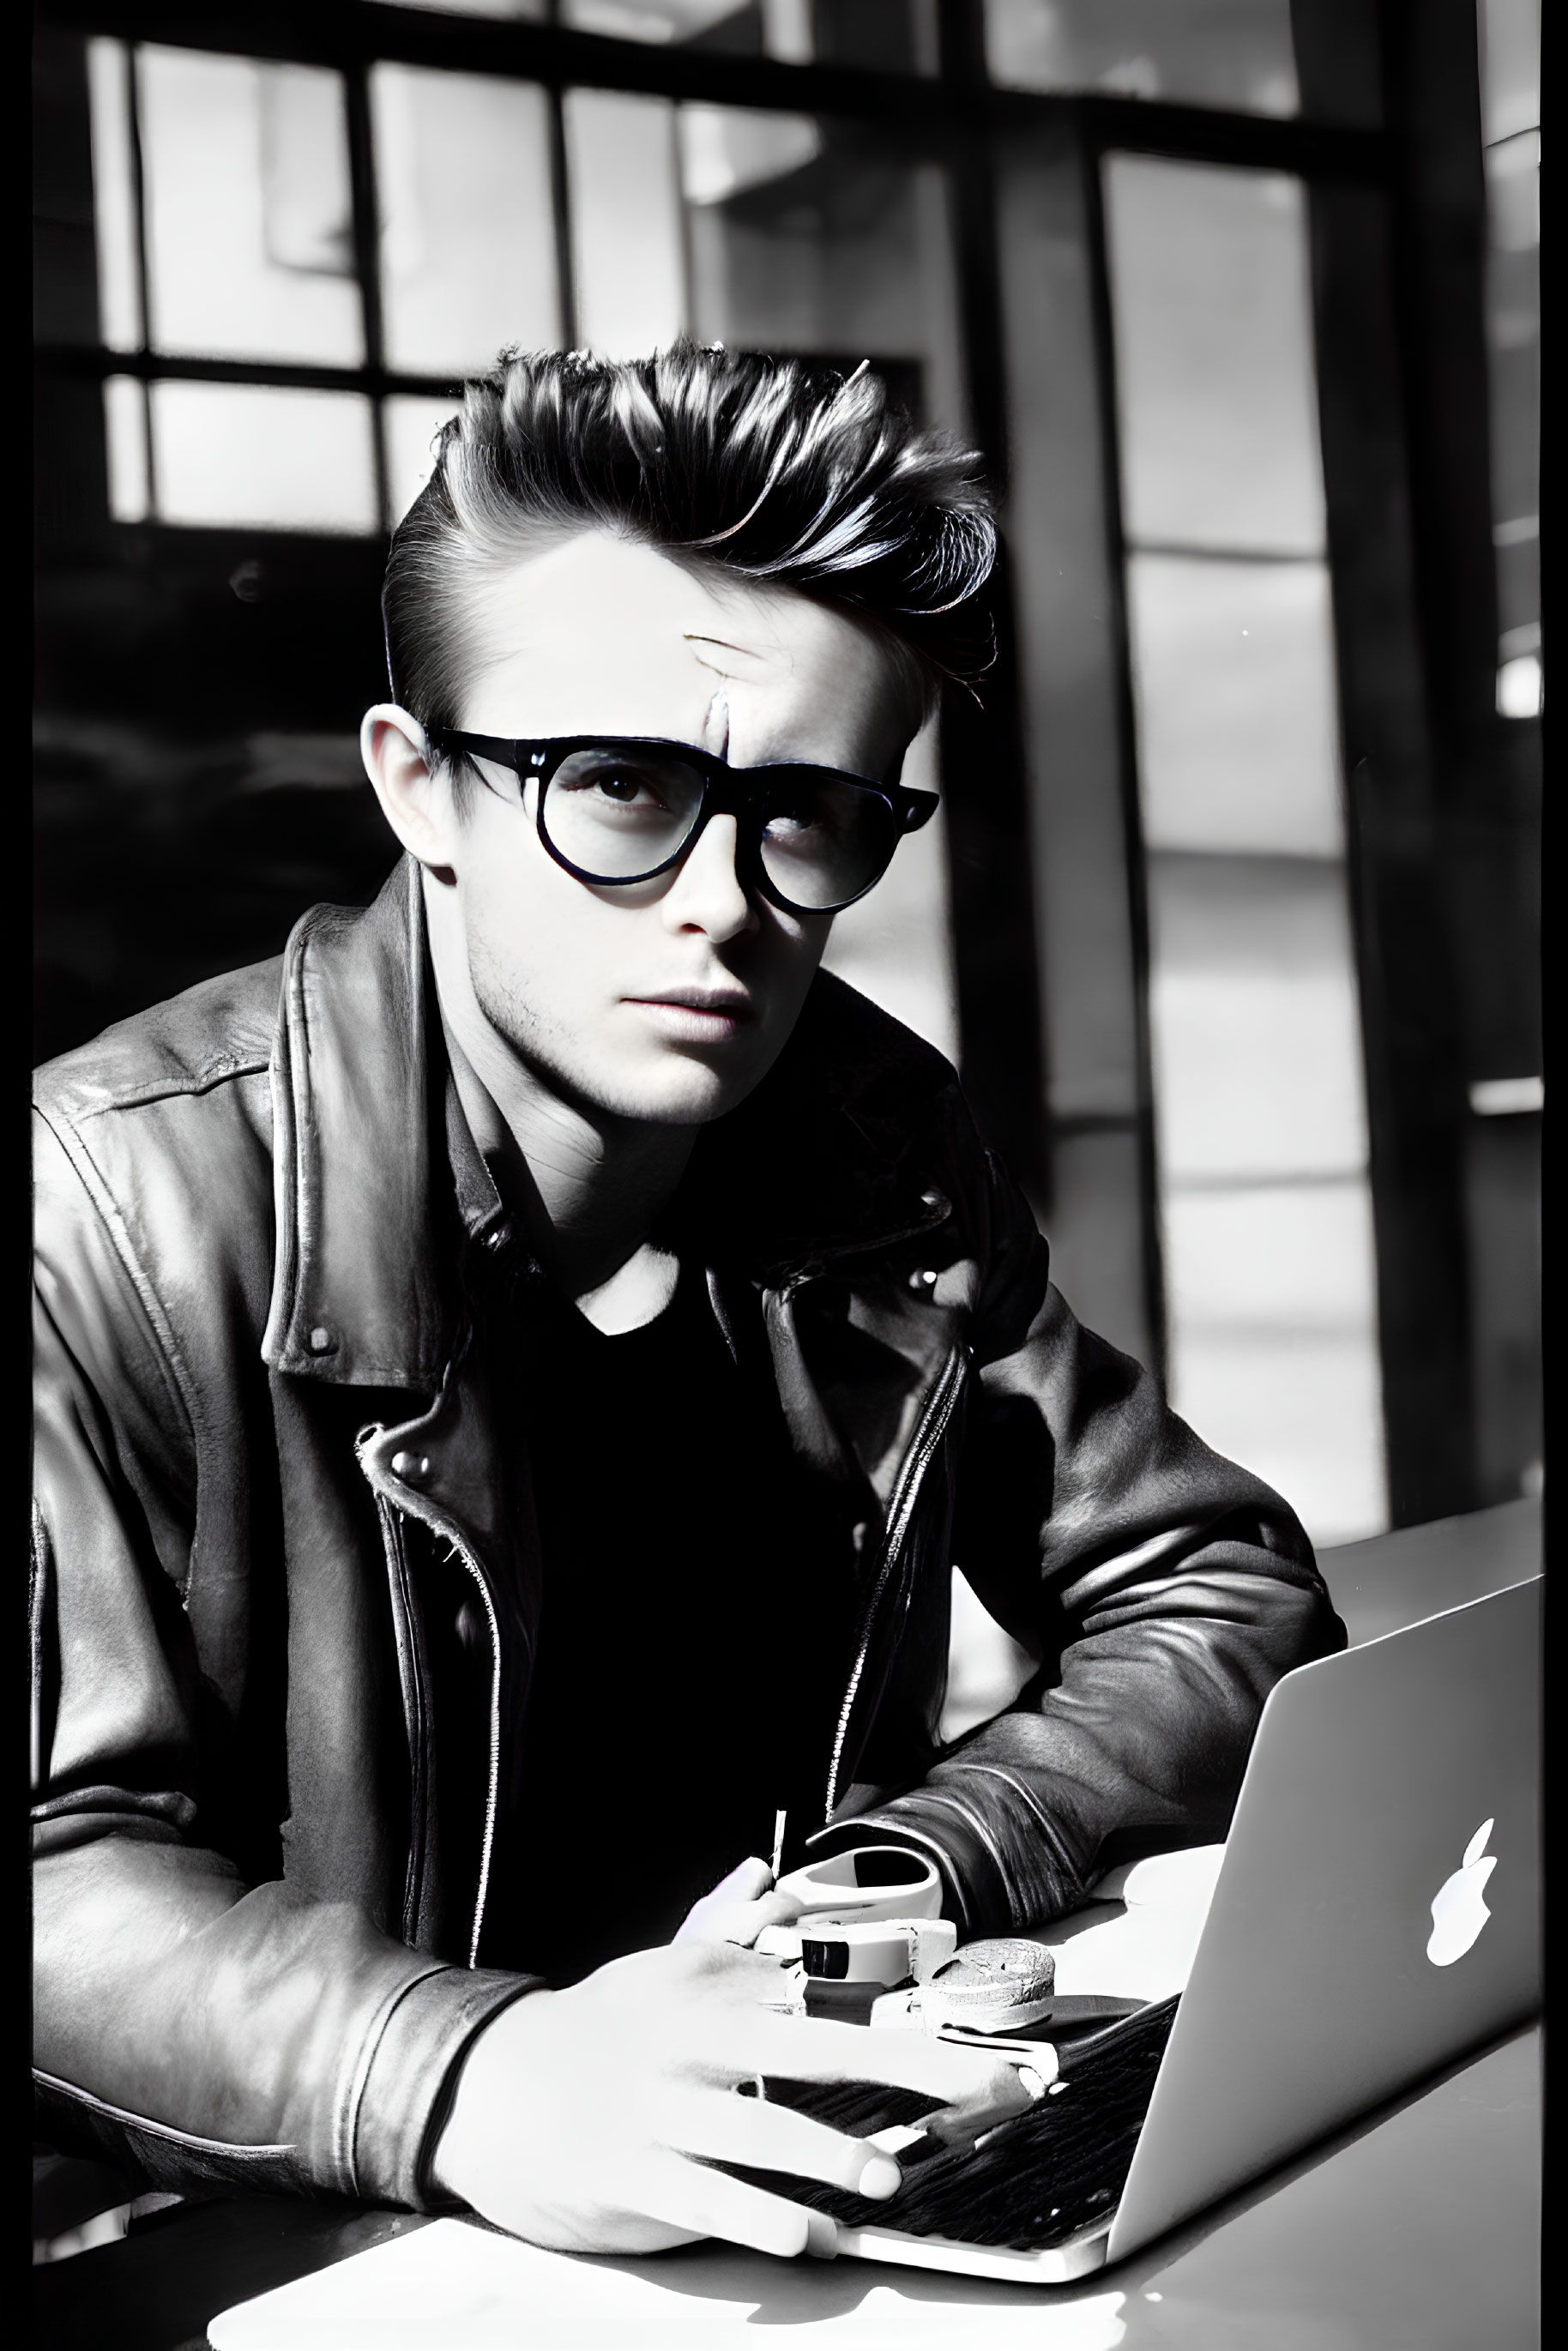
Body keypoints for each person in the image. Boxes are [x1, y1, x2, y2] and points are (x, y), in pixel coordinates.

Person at [32, 343, 1342, 2261]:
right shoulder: (106, 1202)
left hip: (773, 2172)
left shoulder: (865, 1139)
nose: (724, 899)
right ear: (423, 790)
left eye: (807, 812)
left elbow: (1212, 1587)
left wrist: (905, 1869)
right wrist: (470, 2074)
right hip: (278, 2233)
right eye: (622, 787)